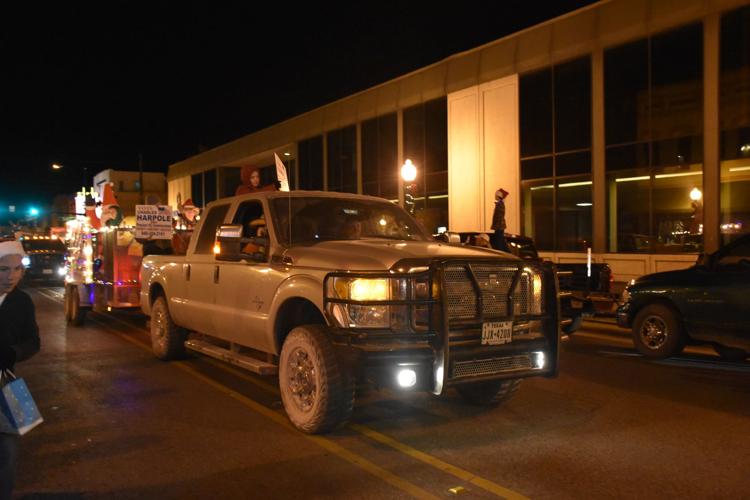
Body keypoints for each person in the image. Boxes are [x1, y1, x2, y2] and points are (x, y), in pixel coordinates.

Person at [0, 241, 41, 499]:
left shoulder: (23, 301)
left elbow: (34, 341)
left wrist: (14, 353)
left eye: (17, 269)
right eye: (4, 269)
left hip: (8, 380)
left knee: (10, 453)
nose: (11, 276)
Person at [491, 188, 510, 252]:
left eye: (495, 195)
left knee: (499, 242)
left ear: (498, 196)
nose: (494, 196)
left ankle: (502, 253)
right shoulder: (500, 204)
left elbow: (499, 216)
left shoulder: (499, 204)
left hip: (499, 226)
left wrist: (496, 225)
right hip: (499, 226)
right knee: (501, 241)